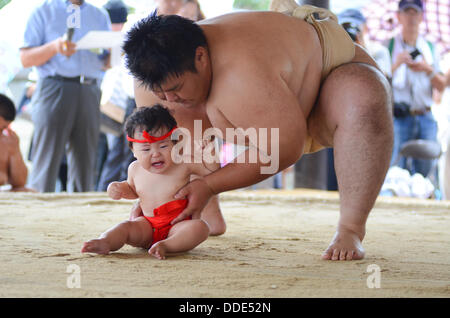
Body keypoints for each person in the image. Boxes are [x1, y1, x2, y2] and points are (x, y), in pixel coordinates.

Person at [126, 0, 394, 261]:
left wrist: (208, 184)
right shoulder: (151, 81)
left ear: (201, 57)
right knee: (168, 116)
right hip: (262, 103)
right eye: (161, 91)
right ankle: (199, 209)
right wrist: (154, 200)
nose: (169, 97)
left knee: (364, 94)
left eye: (174, 88)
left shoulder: (240, 74)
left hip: (322, 77)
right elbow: (157, 152)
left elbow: (283, 149)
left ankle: (350, 228)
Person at [81, 106, 211, 259]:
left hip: (178, 225)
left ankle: (167, 245)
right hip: (147, 225)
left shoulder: (184, 163)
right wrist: (118, 188)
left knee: (200, 228)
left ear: (175, 143)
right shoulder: (135, 169)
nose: (155, 153)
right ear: (133, 150)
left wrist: (206, 153)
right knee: (125, 227)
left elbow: (212, 172)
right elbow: (131, 189)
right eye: (145, 149)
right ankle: (105, 241)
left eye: (163, 146)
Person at [19, 0, 111, 192]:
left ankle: (81, 214)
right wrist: (54, 47)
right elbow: (26, 59)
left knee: (86, 162)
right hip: (54, 86)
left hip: (90, 88)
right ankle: (38, 213)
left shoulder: (100, 15)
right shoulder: (43, 11)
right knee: (47, 160)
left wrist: (115, 53)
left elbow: (106, 59)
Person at [388, 0, 446, 178]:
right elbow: (379, 80)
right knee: (395, 170)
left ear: (421, 17)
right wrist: (397, 64)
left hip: (425, 116)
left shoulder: (430, 48)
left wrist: (427, 69)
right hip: (399, 116)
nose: (411, 17)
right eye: (407, 12)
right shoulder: (388, 46)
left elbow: (442, 85)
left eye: (415, 13)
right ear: (399, 16)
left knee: (427, 172)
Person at [96, 0, 136, 191]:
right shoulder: (113, 39)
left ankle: (111, 188)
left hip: (124, 102)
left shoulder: (125, 37)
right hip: (118, 103)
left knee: (121, 151)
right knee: (120, 151)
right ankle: (107, 189)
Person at [338, 8, 392, 79]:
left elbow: (382, 79)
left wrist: (362, 51)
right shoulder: (336, 52)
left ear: (365, 28)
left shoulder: (379, 50)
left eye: (355, 27)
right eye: (345, 27)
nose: (349, 32)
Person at [0, 94, 31, 192]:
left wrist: (14, 149)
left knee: (28, 192)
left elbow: (20, 183)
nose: (1, 133)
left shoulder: (6, 142)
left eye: (3, 129)